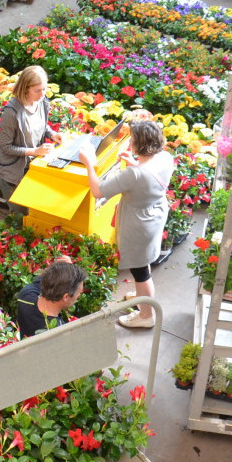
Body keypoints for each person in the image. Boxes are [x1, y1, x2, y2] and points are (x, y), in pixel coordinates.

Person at [81, 118, 172, 329]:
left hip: (139, 224)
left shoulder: (134, 174)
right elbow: (149, 177)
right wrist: (134, 161)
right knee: (144, 261)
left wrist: (88, 163)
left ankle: (146, 314)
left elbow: (98, 191)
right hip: (155, 214)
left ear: (138, 144)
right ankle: (142, 294)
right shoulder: (165, 157)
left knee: (141, 271)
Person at [0, 66, 63, 213]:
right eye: (37, 90)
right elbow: (6, 147)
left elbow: (42, 126)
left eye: (44, 89)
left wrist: (52, 134)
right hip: (11, 173)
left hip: (32, 167)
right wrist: (35, 151)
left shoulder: (42, 102)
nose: (42, 94)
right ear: (25, 88)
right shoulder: (11, 112)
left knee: (34, 213)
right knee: (21, 216)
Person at [14, 258, 86, 338]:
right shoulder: (58, 332)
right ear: (66, 297)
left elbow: (45, 280)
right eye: (79, 293)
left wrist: (60, 269)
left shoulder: (25, 297)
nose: (79, 295)